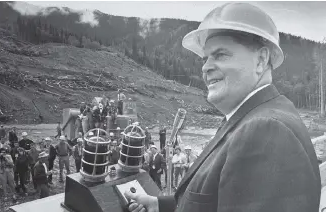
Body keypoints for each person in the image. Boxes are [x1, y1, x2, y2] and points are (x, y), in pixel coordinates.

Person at [125, 3, 321, 212]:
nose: (205, 67)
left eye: (220, 55)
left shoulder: (266, 130)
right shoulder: (248, 118)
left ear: (261, 60)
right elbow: (212, 196)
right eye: (205, 58)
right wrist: (159, 205)